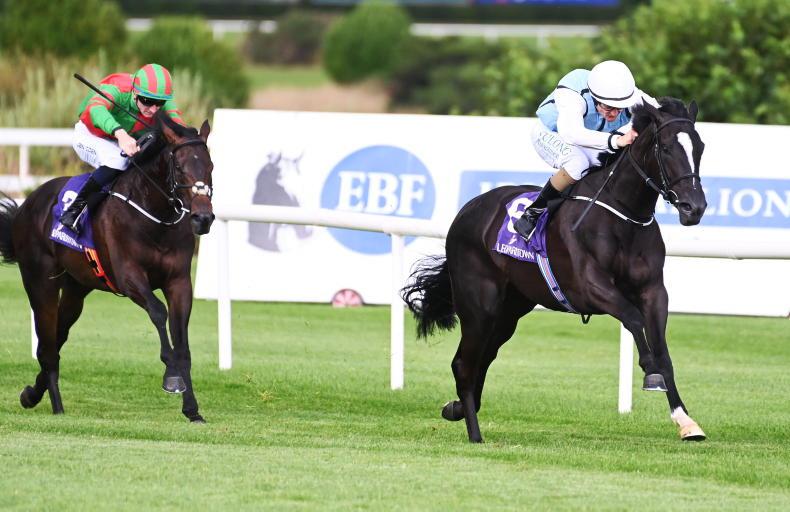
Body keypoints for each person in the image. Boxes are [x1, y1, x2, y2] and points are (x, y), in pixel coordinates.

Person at [513, 60, 660, 241]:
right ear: (594, 97)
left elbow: (661, 111)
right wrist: (616, 140)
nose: (614, 114)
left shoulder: (628, 94)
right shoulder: (573, 91)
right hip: (552, 133)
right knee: (578, 163)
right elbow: (571, 134)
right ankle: (533, 213)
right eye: (608, 107)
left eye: (619, 108)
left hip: (590, 139)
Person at [61, 63, 185, 233]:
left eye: (159, 104)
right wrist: (120, 134)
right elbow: (95, 109)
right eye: (148, 101)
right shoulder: (118, 88)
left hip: (119, 139)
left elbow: (178, 126)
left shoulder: (161, 98)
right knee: (118, 160)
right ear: (135, 93)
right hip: (90, 135)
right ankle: (74, 211)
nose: (153, 109)